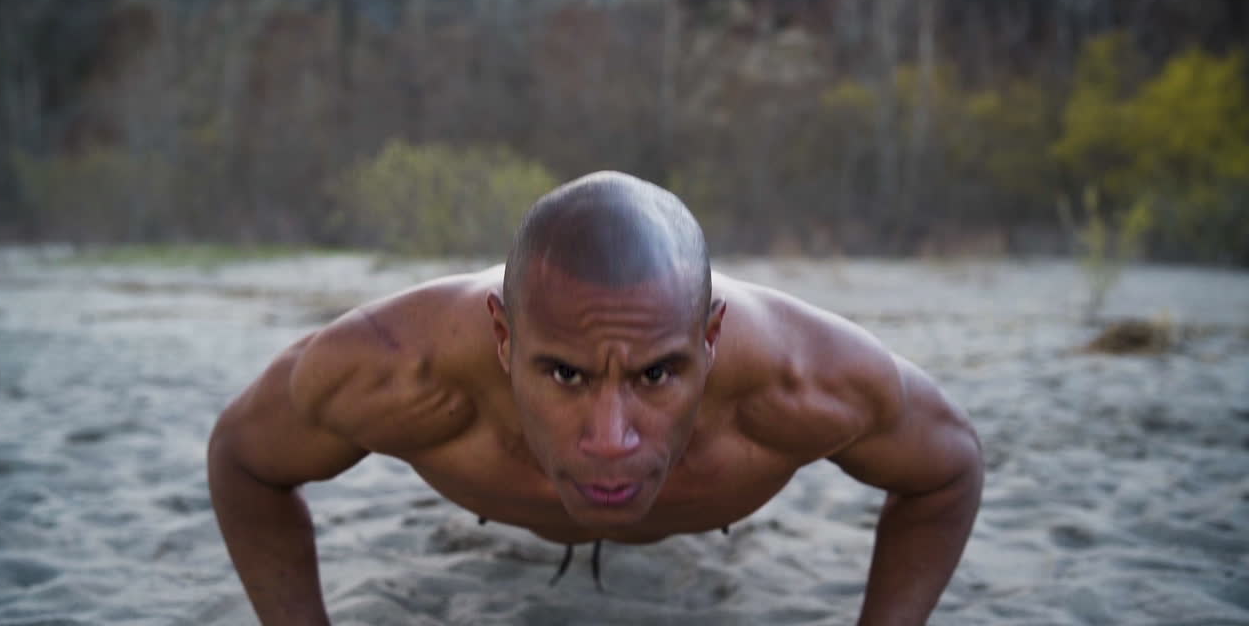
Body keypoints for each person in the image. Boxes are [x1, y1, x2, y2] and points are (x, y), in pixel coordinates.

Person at [208, 171, 983, 626]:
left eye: (655, 376)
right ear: (503, 339)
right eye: (565, 376)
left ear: (711, 339)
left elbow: (947, 470)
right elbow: (243, 460)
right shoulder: (401, 371)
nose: (611, 438)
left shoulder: (803, 382)